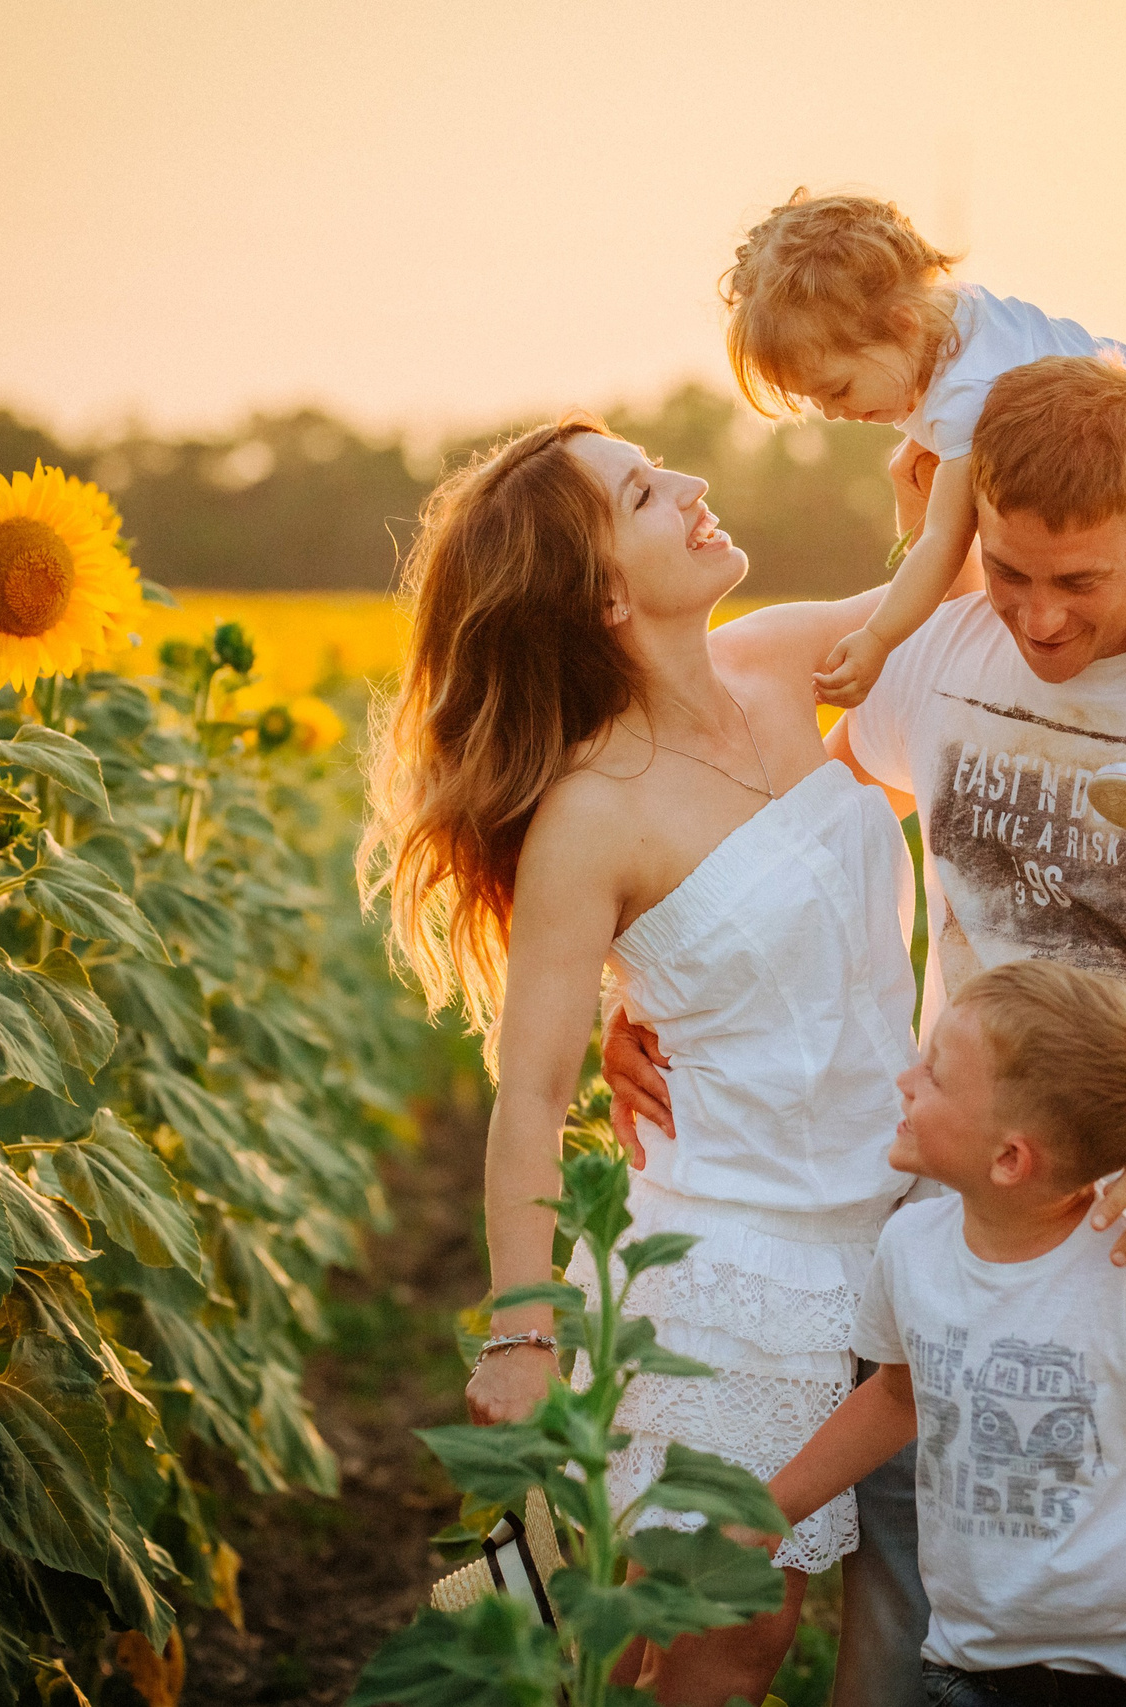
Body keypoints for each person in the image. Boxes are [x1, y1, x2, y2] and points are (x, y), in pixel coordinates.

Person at [607, 355, 1126, 1706]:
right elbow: (774, 831)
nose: (1040, 617)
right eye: (1009, 569)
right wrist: (646, 990)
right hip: (956, 1254)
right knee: (915, 1651)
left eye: (1080, 581)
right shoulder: (943, 652)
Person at [358, 416, 944, 1706]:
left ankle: (495, 1634)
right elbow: (531, 1096)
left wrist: (940, 484)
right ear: (605, 594)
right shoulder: (592, 815)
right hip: (729, 1271)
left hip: (887, 1231)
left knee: (641, 1617)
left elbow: (950, 592)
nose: (689, 485)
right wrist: (522, 1334)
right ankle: (473, 1646)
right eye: (641, 493)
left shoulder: (777, 660)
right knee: (719, 1637)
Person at [768, 959, 1126, 1706]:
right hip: (973, 1668)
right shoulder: (911, 1248)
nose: (905, 1081)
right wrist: (770, 1507)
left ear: (1009, 1158)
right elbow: (896, 1399)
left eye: (935, 1075)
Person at [721, 189, 1126, 876]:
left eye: (837, 389)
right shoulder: (943, 330)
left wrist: (879, 639)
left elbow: (944, 542)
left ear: (901, 325)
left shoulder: (964, 394)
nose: (831, 412)